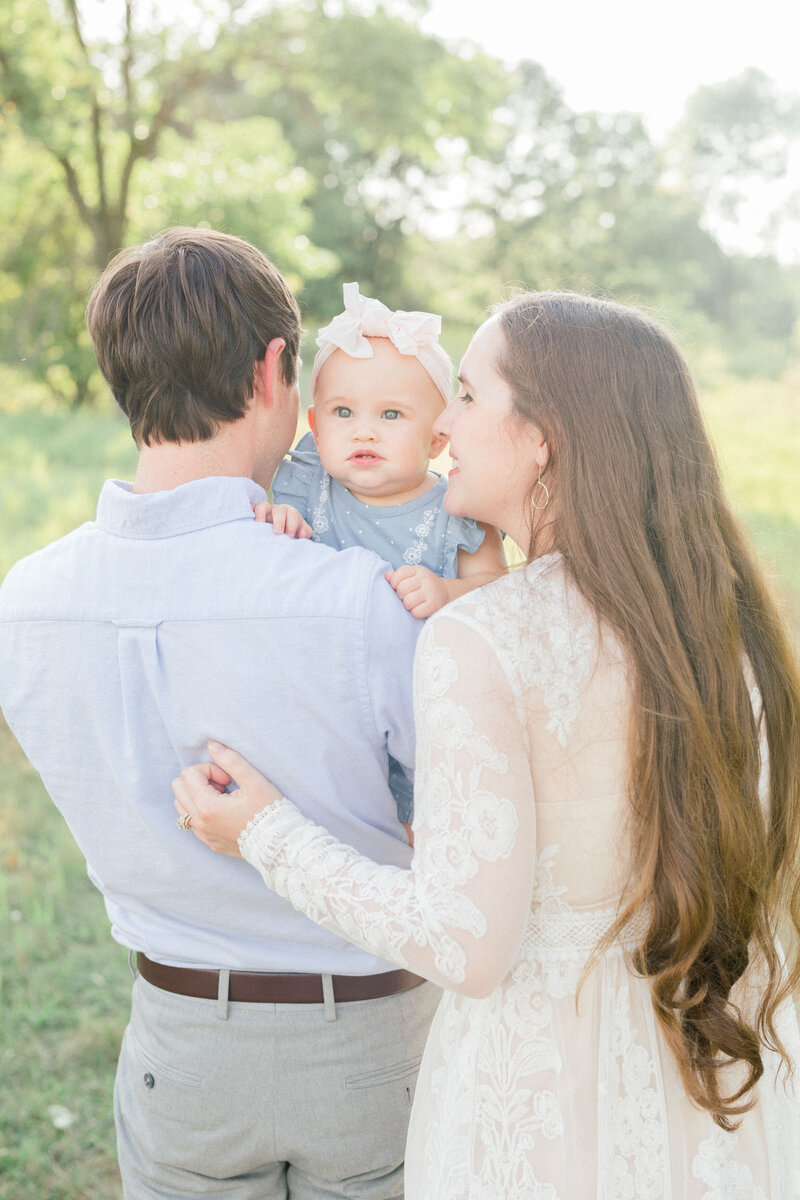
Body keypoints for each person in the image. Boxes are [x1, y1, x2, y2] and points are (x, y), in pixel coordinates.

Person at [173, 291, 800, 1199]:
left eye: (466, 394)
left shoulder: (485, 638)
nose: (445, 425)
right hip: (707, 1087)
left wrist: (267, 832)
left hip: (539, 1110)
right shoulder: (731, 630)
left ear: (541, 435)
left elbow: (465, 943)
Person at [0, 227, 441, 1200]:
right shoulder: (359, 598)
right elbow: (463, 824)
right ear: (274, 369)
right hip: (372, 1048)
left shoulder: (23, 604)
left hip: (177, 1045)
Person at [267, 282, 506, 833]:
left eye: (392, 415)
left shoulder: (459, 508)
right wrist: (276, 520)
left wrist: (448, 593)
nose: (364, 430)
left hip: (429, 715)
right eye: (343, 412)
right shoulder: (304, 488)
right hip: (330, 708)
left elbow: (501, 592)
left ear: (438, 435)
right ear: (315, 423)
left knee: (430, 828)